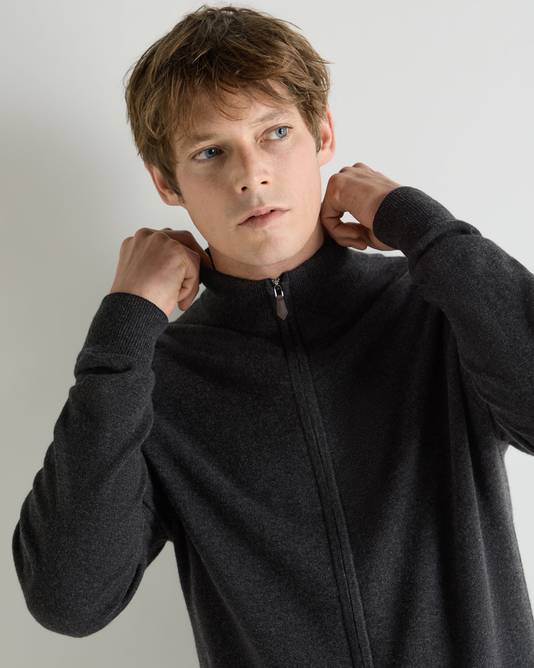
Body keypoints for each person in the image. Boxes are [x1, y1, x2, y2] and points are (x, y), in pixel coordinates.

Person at [12, 4, 534, 667]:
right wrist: (124, 327)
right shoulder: (152, 381)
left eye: (276, 132)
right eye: (210, 151)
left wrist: (419, 224)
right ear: (166, 181)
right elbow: (68, 599)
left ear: (323, 135)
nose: (250, 175)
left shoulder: (432, 306)